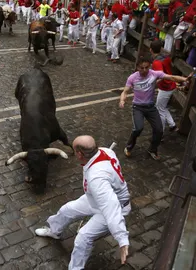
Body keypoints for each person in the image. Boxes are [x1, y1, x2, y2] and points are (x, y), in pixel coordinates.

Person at [35, 135, 131, 270]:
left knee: (83, 237)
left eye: (74, 151)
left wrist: (122, 239)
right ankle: (54, 231)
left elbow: (111, 208)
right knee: (67, 209)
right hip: (95, 198)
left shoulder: (96, 178)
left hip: (114, 206)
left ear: (79, 154)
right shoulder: (106, 151)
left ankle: (75, 268)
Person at [119, 56, 191, 160]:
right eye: (141, 68)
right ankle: (129, 147)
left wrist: (184, 79)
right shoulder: (132, 78)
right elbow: (125, 91)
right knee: (138, 129)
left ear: (150, 66)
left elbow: (171, 77)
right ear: (137, 67)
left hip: (150, 107)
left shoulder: (154, 74)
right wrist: (122, 100)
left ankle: (152, 149)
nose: (144, 70)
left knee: (159, 130)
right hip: (138, 107)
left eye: (146, 67)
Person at [150, 40, 179, 134]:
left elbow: (161, 76)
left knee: (160, 110)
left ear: (150, 50)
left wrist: (151, 83)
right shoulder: (166, 58)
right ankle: (172, 125)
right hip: (170, 85)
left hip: (166, 87)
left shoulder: (157, 62)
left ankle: (160, 133)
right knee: (162, 106)